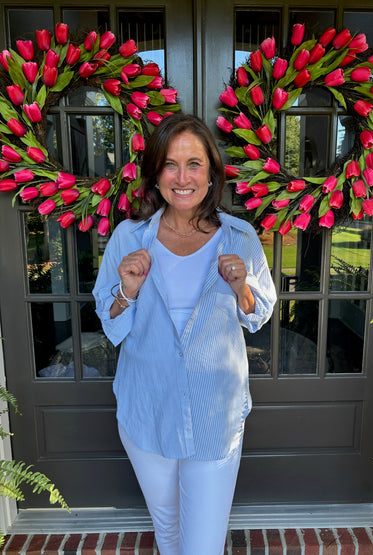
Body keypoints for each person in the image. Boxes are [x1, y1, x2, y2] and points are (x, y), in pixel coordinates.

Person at [93, 113, 276, 555]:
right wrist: (127, 291)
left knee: (203, 545)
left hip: (215, 414)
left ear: (211, 175)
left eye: (194, 164)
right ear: (155, 175)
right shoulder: (128, 237)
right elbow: (110, 319)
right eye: (171, 165)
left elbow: (259, 315)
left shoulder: (239, 237)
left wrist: (241, 289)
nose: (182, 177)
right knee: (168, 530)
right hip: (146, 408)